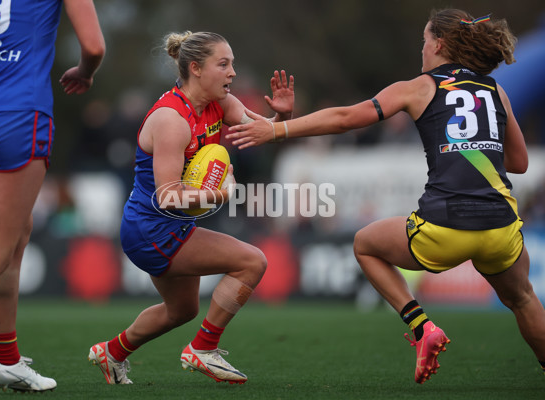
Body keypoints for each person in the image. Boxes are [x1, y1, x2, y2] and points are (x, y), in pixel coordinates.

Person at [226, 9, 545, 384]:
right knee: (523, 298)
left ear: (439, 44)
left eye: (424, 41)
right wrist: (476, 147)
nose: (422, 49)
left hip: (445, 226)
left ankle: (423, 327)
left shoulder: (419, 87)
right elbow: (520, 163)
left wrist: (277, 131)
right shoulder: (497, 91)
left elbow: (346, 117)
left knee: (365, 244)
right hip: (500, 226)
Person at [87, 31, 294, 385]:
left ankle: (112, 352)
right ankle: (203, 349)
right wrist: (219, 195)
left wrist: (281, 119)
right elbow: (167, 196)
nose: (232, 73)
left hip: (171, 225)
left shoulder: (221, 103)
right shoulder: (171, 120)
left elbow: (260, 132)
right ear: (196, 68)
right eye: (223, 64)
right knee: (252, 261)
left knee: (182, 310)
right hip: (149, 229)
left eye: (232, 64)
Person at [0, 0, 105, 397]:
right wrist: (84, 73)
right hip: (20, 112)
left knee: (13, 239)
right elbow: (95, 46)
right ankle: (3, 360)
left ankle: (6, 359)